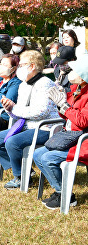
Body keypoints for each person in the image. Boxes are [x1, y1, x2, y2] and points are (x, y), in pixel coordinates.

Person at [0, 50, 59, 189]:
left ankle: (21, 177)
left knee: (12, 142)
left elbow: (41, 112)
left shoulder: (45, 83)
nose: (19, 68)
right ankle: (25, 170)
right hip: (27, 126)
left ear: (32, 66)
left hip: (45, 128)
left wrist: (15, 109)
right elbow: (18, 112)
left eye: (22, 65)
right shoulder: (23, 85)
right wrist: (9, 108)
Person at [33, 55, 88, 209]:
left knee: (48, 158)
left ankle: (66, 196)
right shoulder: (78, 89)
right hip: (71, 138)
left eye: (75, 70)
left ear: (84, 76)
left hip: (83, 143)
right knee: (38, 155)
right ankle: (60, 190)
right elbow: (67, 116)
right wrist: (61, 104)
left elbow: (82, 121)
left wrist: (65, 106)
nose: (70, 71)